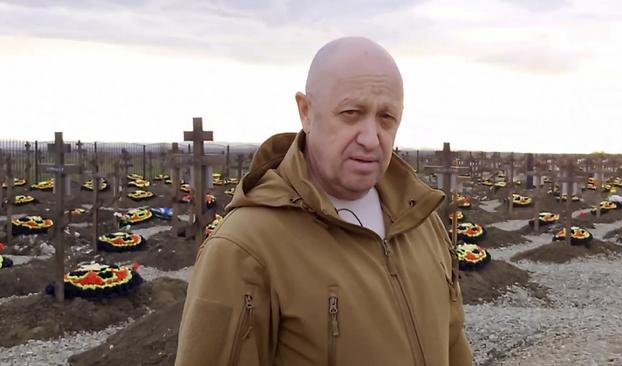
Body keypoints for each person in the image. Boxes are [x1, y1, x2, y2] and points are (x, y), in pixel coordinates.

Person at [175, 36, 472, 366]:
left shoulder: (420, 219)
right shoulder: (245, 248)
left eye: (386, 118)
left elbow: (453, 340)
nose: (371, 138)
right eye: (351, 113)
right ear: (306, 112)